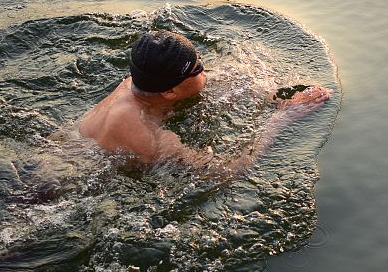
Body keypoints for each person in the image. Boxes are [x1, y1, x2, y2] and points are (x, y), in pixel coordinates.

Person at [79, 30, 331, 174]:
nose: (205, 69)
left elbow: (217, 81)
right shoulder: (153, 140)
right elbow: (229, 172)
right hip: (62, 191)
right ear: (169, 92)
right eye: (198, 67)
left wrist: (271, 94)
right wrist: (283, 117)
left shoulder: (135, 82)